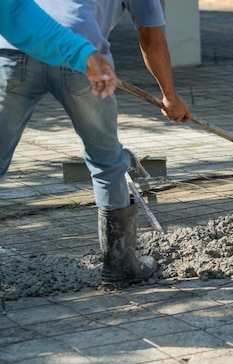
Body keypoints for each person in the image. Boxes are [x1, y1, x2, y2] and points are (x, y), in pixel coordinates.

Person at [0, 0, 192, 288]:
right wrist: (170, 98)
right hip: (81, 57)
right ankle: (121, 265)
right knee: (107, 161)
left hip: (14, 50)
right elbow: (151, 38)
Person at [0, 0, 117, 97]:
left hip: (11, 51)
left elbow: (16, 13)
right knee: (98, 124)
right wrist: (81, 53)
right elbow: (17, 13)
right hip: (78, 55)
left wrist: (81, 52)